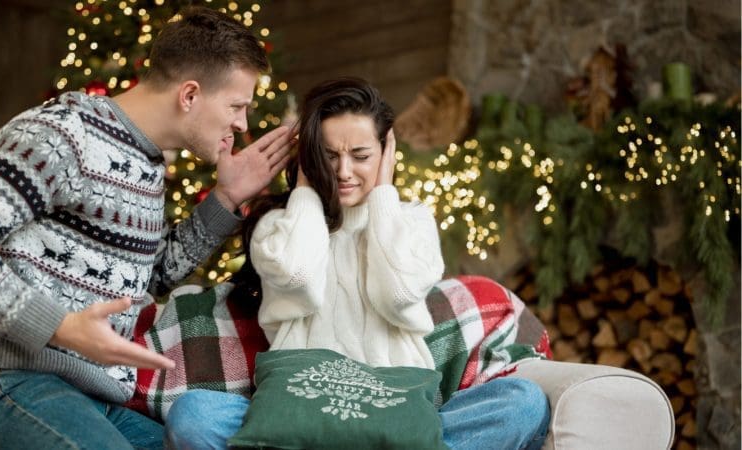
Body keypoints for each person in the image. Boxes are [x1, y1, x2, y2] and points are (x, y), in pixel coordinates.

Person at [0, 7, 293, 449]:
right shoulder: (65, 133)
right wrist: (61, 327)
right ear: (189, 95)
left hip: (90, 398)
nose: (241, 123)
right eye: (236, 106)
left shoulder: (147, 164)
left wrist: (225, 199)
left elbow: (150, 277)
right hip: (3, 380)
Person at [164, 77, 550, 449]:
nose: (344, 172)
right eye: (328, 156)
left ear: (386, 152)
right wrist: (305, 188)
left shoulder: (411, 221)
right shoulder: (279, 226)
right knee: (194, 414)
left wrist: (384, 194)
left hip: (397, 413)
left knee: (522, 401)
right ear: (311, 157)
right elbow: (299, 278)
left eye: (361, 155)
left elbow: (397, 294)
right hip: (299, 415)